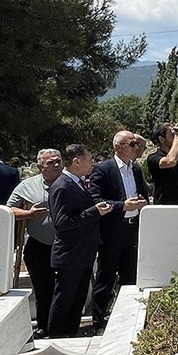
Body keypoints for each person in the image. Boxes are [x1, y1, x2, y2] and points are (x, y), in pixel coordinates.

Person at [47, 144, 112, 338]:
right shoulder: (62, 186)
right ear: (76, 161)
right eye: (89, 159)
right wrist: (95, 212)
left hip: (83, 253)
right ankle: (57, 338)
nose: (93, 163)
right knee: (64, 301)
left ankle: (71, 335)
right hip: (70, 255)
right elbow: (62, 223)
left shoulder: (77, 182)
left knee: (77, 300)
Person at [88, 131, 149, 331]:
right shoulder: (104, 169)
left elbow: (142, 192)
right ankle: (98, 321)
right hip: (112, 230)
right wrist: (122, 205)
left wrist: (142, 201)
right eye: (132, 144)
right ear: (118, 147)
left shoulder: (136, 168)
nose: (136, 147)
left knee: (130, 276)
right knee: (106, 277)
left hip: (133, 229)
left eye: (137, 143)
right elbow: (96, 200)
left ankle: (126, 319)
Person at [6, 148, 63, 339]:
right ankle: (44, 325)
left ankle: (64, 325)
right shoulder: (27, 185)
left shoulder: (71, 181)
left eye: (58, 161)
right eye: (50, 163)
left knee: (65, 286)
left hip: (67, 244)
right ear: (40, 167)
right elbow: (8, 210)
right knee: (43, 288)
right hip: (40, 245)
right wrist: (28, 214)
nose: (56, 165)